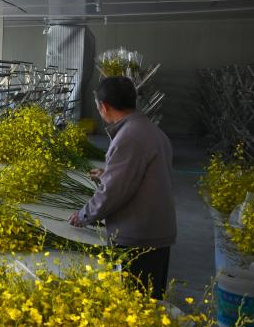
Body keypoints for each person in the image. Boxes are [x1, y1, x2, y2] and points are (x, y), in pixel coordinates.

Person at [68, 76, 175, 299]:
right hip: (156, 232)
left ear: (104, 106)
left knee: (135, 305)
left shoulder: (129, 137)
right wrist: (108, 174)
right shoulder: (149, 129)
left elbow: (113, 193)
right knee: (150, 301)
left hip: (139, 238)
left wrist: (83, 215)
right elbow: (143, 176)